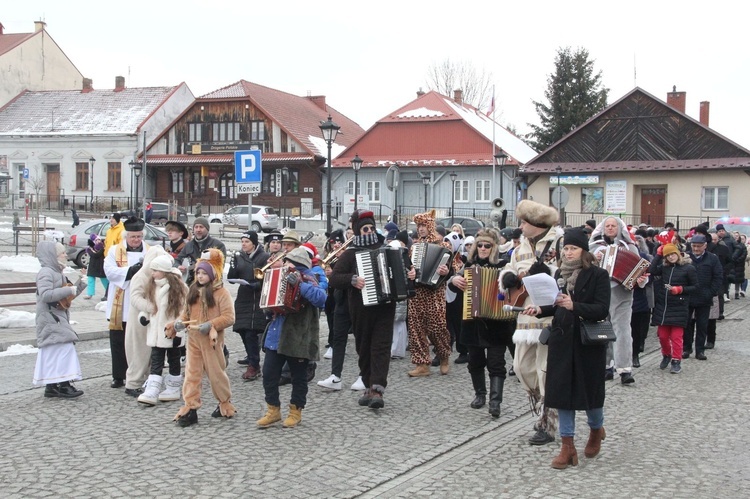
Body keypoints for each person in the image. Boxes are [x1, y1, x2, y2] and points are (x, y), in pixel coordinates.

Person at [521, 227, 611, 470]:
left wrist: (575, 305)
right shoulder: (559, 273)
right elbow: (556, 304)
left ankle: (595, 430)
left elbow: (602, 309)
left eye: (573, 248)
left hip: (587, 343)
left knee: (590, 393)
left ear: (584, 251)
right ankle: (567, 446)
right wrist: (541, 309)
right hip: (562, 340)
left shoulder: (598, 275)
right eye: (566, 248)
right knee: (561, 395)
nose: (568, 252)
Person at [499, 200, 562, 445]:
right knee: (522, 367)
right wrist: (508, 277)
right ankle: (543, 403)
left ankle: (548, 422)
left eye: (524, 222)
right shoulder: (519, 247)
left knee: (546, 370)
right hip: (525, 317)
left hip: (549, 317)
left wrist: (548, 270)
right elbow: (507, 268)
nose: (521, 227)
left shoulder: (558, 242)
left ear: (537, 224)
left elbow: (568, 271)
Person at [327, 210, 403, 408]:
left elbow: (404, 269)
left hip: (385, 307)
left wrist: (410, 273)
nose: (369, 231)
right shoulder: (351, 253)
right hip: (361, 309)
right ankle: (369, 386)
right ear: (358, 231)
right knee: (364, 348)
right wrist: (352, 279)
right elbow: (334, 278)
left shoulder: (386, 249)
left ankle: (378, 389)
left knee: (381, 347)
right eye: (364, 229)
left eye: (371, 228)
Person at [257, 247, 327, 428]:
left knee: (298, 376)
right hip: (276, 336)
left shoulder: (309, 278)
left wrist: (299, 285)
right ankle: (273, 410)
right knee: (269, 374)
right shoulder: (280, 276)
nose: (284, 264)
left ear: (298, 266)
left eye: (288, 262)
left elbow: (321, 298)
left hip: (298, 337)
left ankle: (296, 412)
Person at [449, 229, 513, 417]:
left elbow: (514, 284)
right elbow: (453, 280)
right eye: (480, 245)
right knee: (475, 361)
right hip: (472, 320)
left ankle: (495, 401)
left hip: (497, 323)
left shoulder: (503, 265)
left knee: (496, 363)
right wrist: (455, 280)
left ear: (494, 247)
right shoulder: (469, 265)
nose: (483, 249)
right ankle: (480, 394)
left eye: (488, 245)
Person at [171, 248, 236, 427]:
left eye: (203, 273)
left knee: (216, 374)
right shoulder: (193, 290)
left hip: (211, 341)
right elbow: (186, 314)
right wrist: (179, 323)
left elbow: (229, 317)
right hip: (193, 339)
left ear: (212, 274)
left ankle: (224, 402)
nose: (200, 276)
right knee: (192, 373)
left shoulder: (221, 293)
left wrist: (211, 324)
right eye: (198, 272)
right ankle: (191, 408)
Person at [589, 216, 641, 385]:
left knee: (623, 329)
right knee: (603, 328)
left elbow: (640, 269)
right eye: (607, 226)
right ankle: (606, 366)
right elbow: (584, 267)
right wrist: (593, 260)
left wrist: (639, 279)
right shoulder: (594, 247)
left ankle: (624, 369)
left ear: (620, 228)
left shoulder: (629, 247)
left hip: (622, 291)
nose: (610, 228)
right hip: (600, 292)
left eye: (613, 226)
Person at [32, 241, 87, 398]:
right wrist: (68, 289)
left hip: (55, 318)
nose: (66, 255)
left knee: (55, 351)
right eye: (62, 253)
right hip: (50, 319)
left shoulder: (57, 272)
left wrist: (80, 284)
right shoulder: (46, 272)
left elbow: (65, 298)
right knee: (64, 349)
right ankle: (63, 384)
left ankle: (52, 386)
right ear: (53, 256)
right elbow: (46, 295)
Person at [103, 216, 150, 394]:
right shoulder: (115, 251)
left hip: (141, 301)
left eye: (139, 236)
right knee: (118, 339)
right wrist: (130, 271)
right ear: (126, 236)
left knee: (138, 341)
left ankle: (139, 373)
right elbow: (108, 270)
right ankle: (118, 375)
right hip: (120, 300)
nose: (136, 240)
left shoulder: (149, 251)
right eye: (133, 237)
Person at [136, 254, 189, 405]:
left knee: (173, 358)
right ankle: (152, 389)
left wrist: (179, 326)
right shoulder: (153, 286)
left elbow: (183, 310)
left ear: (164, 271)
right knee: (157, 358)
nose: (153, 273)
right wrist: (143, 315)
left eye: (156, 270)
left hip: (172, 331)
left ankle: (173, 387)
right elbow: (149, 304)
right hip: (156, 332)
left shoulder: (178, 288)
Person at [407, 209, 452, 377]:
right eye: (418, 226)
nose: (420, 229)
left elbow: (452, 270)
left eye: (423, 225)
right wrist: (410, 274)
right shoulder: (415, 247)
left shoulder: (444, 246)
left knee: (437, 327)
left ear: (430, 226)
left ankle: (444, 356)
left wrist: (445, 271)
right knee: (416, 328)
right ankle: (421, 364)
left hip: (435, 292)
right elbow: (410, 267)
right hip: (417, 292)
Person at [126, 245, 170, 399]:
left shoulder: (157, 276)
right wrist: (153, 308)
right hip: (140, 319)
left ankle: (149, 380)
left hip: (154, 319)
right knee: (139, 351)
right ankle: (133, 382)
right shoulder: (140, 276)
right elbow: (135, 297)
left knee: (152, 352)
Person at [649, 243, 697, 374]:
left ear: (678, 254)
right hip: (663, 307)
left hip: (679, 306)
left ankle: (676, 360)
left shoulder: (688, 268)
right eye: (668, 255)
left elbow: (695, 286)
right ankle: (666, 354)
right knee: (663, 336)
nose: (671, 257)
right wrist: (658, 255)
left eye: (672, 254)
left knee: (676, 337)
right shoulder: (664, 268)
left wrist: (680, 289)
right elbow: (651, 270)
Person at [227, 231, 269, 381]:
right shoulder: (240, 256)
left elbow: (267, 279)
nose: (244, 244)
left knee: (251, 331)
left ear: (254, 243)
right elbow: (231, 279)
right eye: (242, 241)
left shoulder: (264, 257)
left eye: (247, 241)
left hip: (257, 298)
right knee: (241, 330)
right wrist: (233, 264)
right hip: (243, 297)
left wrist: (255, 285)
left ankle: (254, 364)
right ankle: (252, 358)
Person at [683, 234, 723, 360]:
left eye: (699, 246)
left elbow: (718, 277)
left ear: (705, 246)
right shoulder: (685, 257)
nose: (696, 249)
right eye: (694, 246)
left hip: (704, 297)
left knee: (702, 325)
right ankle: (686, 348)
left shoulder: (712, 258)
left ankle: (700, 350)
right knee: (687, 324)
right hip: (688, 296)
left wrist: (710, 292)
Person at [175, 217, 227, 285]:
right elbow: (176, 261)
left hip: (211, 285)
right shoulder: (188, 245)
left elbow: (220, 267)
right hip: (192, 285)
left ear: (207, 229)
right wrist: (178, 266)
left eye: (201, 227)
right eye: (196, 227)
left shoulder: (218, 245)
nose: (198, 230)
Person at [630, 233, 653, 366]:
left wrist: (642, 281)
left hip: (637, 296)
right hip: (619, 297)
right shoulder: (615, 254)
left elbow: (649, 276)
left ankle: (635, 355)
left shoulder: (642, 257)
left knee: (636, 329)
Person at [84, 234, 108, 300]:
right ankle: (90, 294)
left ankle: (109, 292)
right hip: (93, 266)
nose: (98, 241)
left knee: (104, 280)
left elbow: (99, 254)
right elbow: (94, 255)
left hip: (101, 266)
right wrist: (100, 248)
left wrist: (101, 248)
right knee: (90, 280)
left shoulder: (103, 247)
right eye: (96, 240)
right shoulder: (90, 248)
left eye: (99, 239)